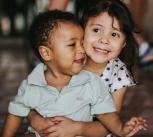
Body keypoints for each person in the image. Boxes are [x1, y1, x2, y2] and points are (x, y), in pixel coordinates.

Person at [2, 10, 147, 137]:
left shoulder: (91, 82)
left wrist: (121, 129)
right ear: (46, 53)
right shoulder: (31, 84)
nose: (82, 50)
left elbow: (105, 114)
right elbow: (16, 112)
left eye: (81, 42)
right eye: (72, 44)